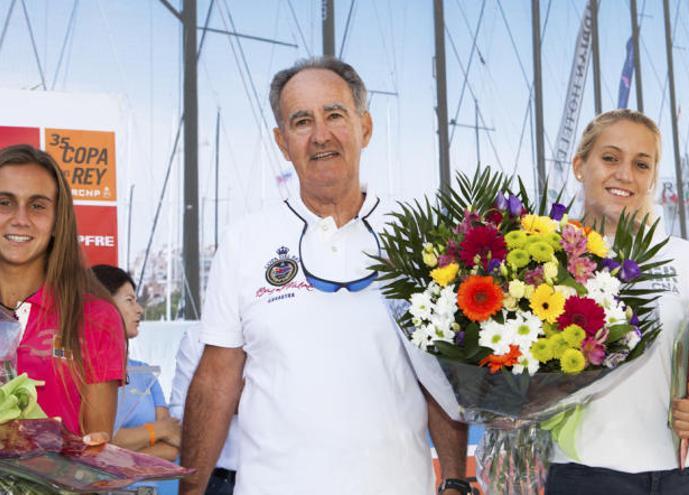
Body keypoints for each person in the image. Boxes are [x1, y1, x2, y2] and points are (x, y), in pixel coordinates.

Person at [180, 57, 469, 495]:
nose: (320, 135)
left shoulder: (420, 238)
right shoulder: (244, 241)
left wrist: (454, 481)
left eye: (334, 115)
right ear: (282, 142)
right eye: (301, 121)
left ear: (365, 127)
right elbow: (215, 380)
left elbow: (441, 378)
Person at [544, 110, 689, 494]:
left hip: (683, 475)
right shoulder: (543, 260)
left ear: (652, 177)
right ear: (580, 165)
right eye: (610, 158)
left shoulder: (686, 259)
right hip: (584, 474)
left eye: (641, 164)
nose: (624, 174)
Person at [0, 144, 126, 437]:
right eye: (4, 202)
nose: (20, 218)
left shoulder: (95, 317)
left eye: (38, 205)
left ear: (58, 221)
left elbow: (95, 448)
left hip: (52, 485)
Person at [91, 264, 181, 461]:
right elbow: (96, 439)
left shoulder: (145, 373)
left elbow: (170, 448)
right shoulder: (82, 371)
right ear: (102, 304)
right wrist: (158, 429)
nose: (139, 310)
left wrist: (116, 450)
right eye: (129, 301)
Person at [171, 323, 240, 495]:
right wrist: (218, 403)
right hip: (218, 481)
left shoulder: (286, 332)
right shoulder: (198, 335)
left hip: (278, 476)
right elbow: (178, 413)